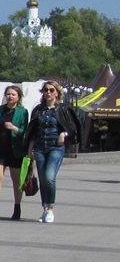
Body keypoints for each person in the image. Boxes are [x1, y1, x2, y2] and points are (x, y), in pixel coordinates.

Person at [25, 81, 83, 223]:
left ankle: (50, 209)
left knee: (49, 176)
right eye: (45, 90)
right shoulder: (39, 110)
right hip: (40, 147)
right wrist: (29, 151)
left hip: (56, 147)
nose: (48, 92)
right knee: (43, 178)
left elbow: (73, 127)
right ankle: (45, 209)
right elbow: (33, 132)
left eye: (51, 90)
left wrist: (65, 133)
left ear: (57, 92)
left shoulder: (64, 109)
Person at [0, 85, 27, 221]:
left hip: (15, 150)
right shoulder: (0, 110)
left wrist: (14, 128)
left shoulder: (22, 112)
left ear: (18, 97)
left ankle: (17, 207)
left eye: (13, 94)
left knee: (16, 180)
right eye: (8, 94)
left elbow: (24, 132)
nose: (10, 96)